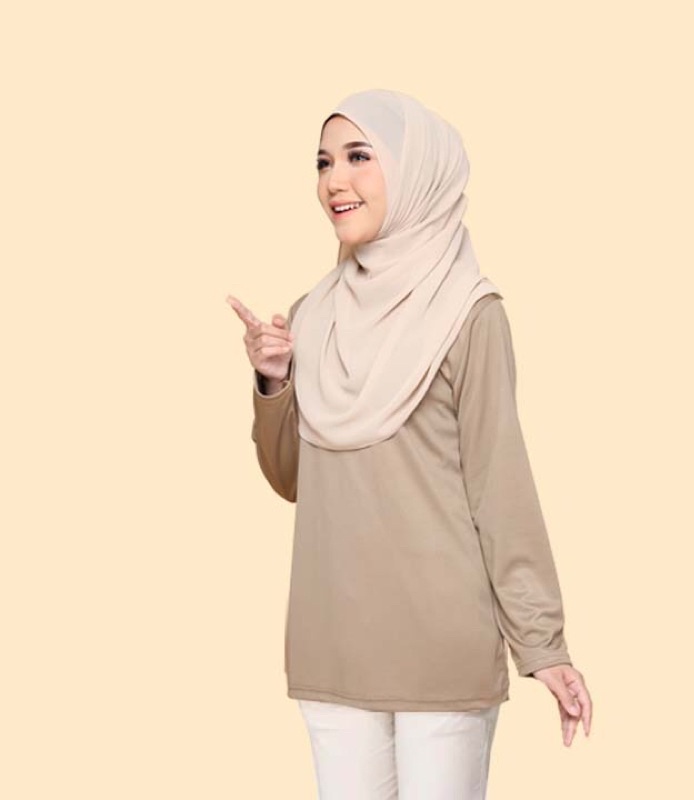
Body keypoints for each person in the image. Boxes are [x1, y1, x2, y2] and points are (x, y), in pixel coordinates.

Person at [227, 88, 592, 799]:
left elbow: (500, 488)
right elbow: (293, 478)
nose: (335, 180)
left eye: (359, 157)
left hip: (440, 654)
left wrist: (542, 643)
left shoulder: (469, 313)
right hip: (333, 645)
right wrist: (274, 382)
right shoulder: (312, 316)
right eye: (324, 162)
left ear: (416, 168)